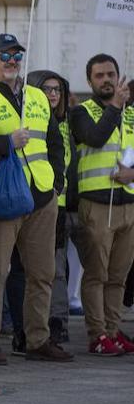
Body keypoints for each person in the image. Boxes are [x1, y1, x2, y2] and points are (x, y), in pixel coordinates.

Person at [0, 34, 72, 364]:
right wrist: (5, 142)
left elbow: (54, 142)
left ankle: (38, 339)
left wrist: (56, 182)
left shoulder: (36, 96)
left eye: (17, 54)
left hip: (40, 196)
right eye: (4, 54)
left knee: (42, 273)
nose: (11, 60)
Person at [68, 54, 134, 356]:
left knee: (118, 275)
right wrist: (115, 107)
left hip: (128, 204)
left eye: (111, 74)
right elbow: (94, 139)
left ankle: (112, 329)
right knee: (97, 273)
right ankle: (97, 335)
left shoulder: (130, 113)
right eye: (99, 76)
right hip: (96, 204)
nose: (106, 80)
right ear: (90, 81)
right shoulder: (82, 112)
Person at [27, 68, 82, 346]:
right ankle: (43, 322)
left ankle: (57, 320)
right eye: (46, 89)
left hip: (63, 205)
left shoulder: (70, 122)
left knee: (58, 269)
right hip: (38, 203)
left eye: (57, 90)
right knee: (43, 269)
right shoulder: (31, 120)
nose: (52, 94)